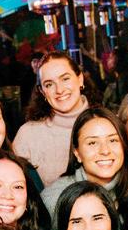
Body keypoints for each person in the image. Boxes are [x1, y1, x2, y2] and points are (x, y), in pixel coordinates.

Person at [40, 106, 128, 230]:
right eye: (92, 143)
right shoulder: (55, 199)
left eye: (113, 140)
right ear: (77, 153)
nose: (105, 151)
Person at [14, 51, 95, 185]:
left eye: (65, 79)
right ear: (42, 92)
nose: (59, 90)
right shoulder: (28, 136)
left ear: (80, 79)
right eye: (49, 84)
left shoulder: (107, 125)